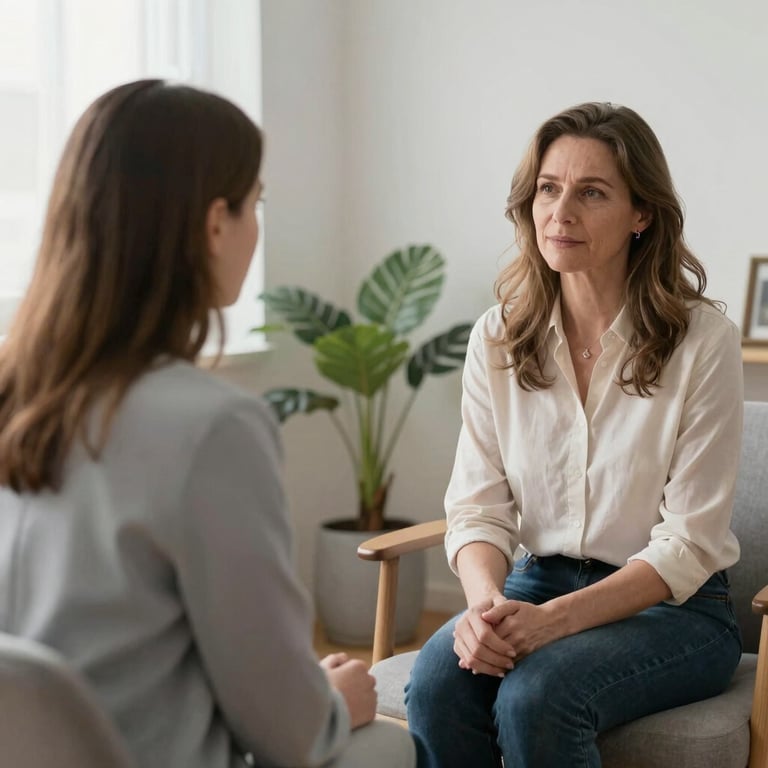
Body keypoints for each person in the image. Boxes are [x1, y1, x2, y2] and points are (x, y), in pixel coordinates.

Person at [0, 80, 415, 768]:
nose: (256, 227)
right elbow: (290, 734)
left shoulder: (18, 394)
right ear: (213, 222)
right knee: (389, 746)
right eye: (255, 203)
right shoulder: (211, 426)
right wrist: (336, 697)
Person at [405, 101, 743, 767]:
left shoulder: (702, 342)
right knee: (441, 683)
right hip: (535, 583)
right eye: (548, 190)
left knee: (536, 696)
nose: (561, 213)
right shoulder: (498, 336)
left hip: (674, 611)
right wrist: (485, 610)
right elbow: (477, 507)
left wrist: (551, 625)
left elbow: (689, 544)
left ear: (641, 213)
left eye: (592, 193)